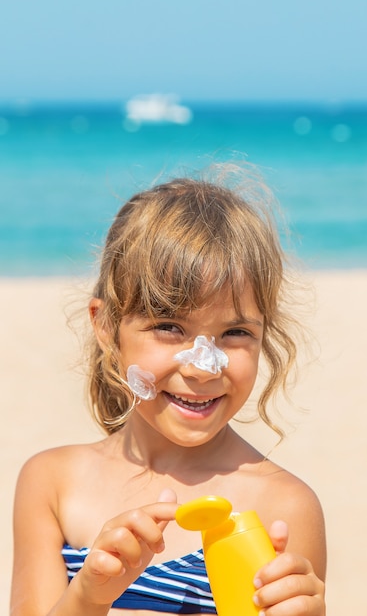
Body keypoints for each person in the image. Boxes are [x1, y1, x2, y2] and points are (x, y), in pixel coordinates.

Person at [11, 168, 326, 616]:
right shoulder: (52, 483)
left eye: (235, 332)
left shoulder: (284, 506)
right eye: (169, 327)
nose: (201, 367)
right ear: (105, 326)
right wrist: (89, 596)